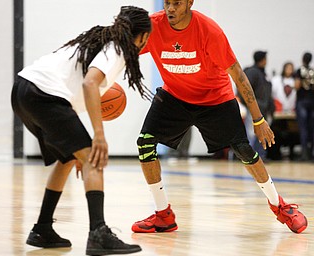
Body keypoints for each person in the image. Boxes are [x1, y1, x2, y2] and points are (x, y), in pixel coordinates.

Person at [131, 0, 307, 235]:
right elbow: (122, 49)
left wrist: (258, 120)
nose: (170, 8)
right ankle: (163, 215)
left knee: (244, 150)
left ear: (189, 3)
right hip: (174, 95)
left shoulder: (210, 31)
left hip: (215, 98)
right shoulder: (153, 27)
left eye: (177, 3)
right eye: (167, 3)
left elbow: (239, 77)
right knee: (145, 142)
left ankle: (280, 205)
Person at [11, 6, 151, 255]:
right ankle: (98, 233)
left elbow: (71, 86)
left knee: (67, 159)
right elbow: (89, 83)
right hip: (43, 95)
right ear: (140, 36)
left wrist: (76, 149)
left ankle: (42, 228)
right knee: (94, 160)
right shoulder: (118, 47)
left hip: (24, 90)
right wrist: (99, 135)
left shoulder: (98, 41)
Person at [238, 51, 275, 161]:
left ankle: (260, 156)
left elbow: (267, 93)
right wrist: (255, 106)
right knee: (252, 134)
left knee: (262, 134)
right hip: (254, 110)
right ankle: (249, 158)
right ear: (262, 60)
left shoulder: (262, 73)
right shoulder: (252, 72)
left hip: (263, 109)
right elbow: (243, 91)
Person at [267, 62, 298, 160]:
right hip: (278, 113)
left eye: (291, 68)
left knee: (292, 133)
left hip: (291, 114)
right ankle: (274, 154)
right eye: (288, 68)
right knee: (276, 132)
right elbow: (272, 95)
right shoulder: (277, 80)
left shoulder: (295, 81)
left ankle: (292, 153)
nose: (289, 70)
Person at [294, 52, 314, 161]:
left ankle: (304, 155)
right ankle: (311, 153)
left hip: (302, 101)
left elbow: (297, 86)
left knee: (303, 129)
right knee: (312, 128)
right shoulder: (312, 71)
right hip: (312, 101)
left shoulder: (299, 70)